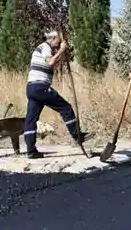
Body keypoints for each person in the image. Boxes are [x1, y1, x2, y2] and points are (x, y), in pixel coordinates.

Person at [23, 30, 91, 159]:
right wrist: (61, 50)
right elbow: (50, 62)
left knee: (31, 119)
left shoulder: (41, 49)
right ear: (53, 39)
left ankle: (31, 150)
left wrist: (62, 52)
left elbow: (51, 63)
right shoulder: (45, 47)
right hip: (40, 87)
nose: (58, 43)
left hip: (31, 88)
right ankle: (78, 136)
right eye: (58, 41)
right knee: (65, 108)